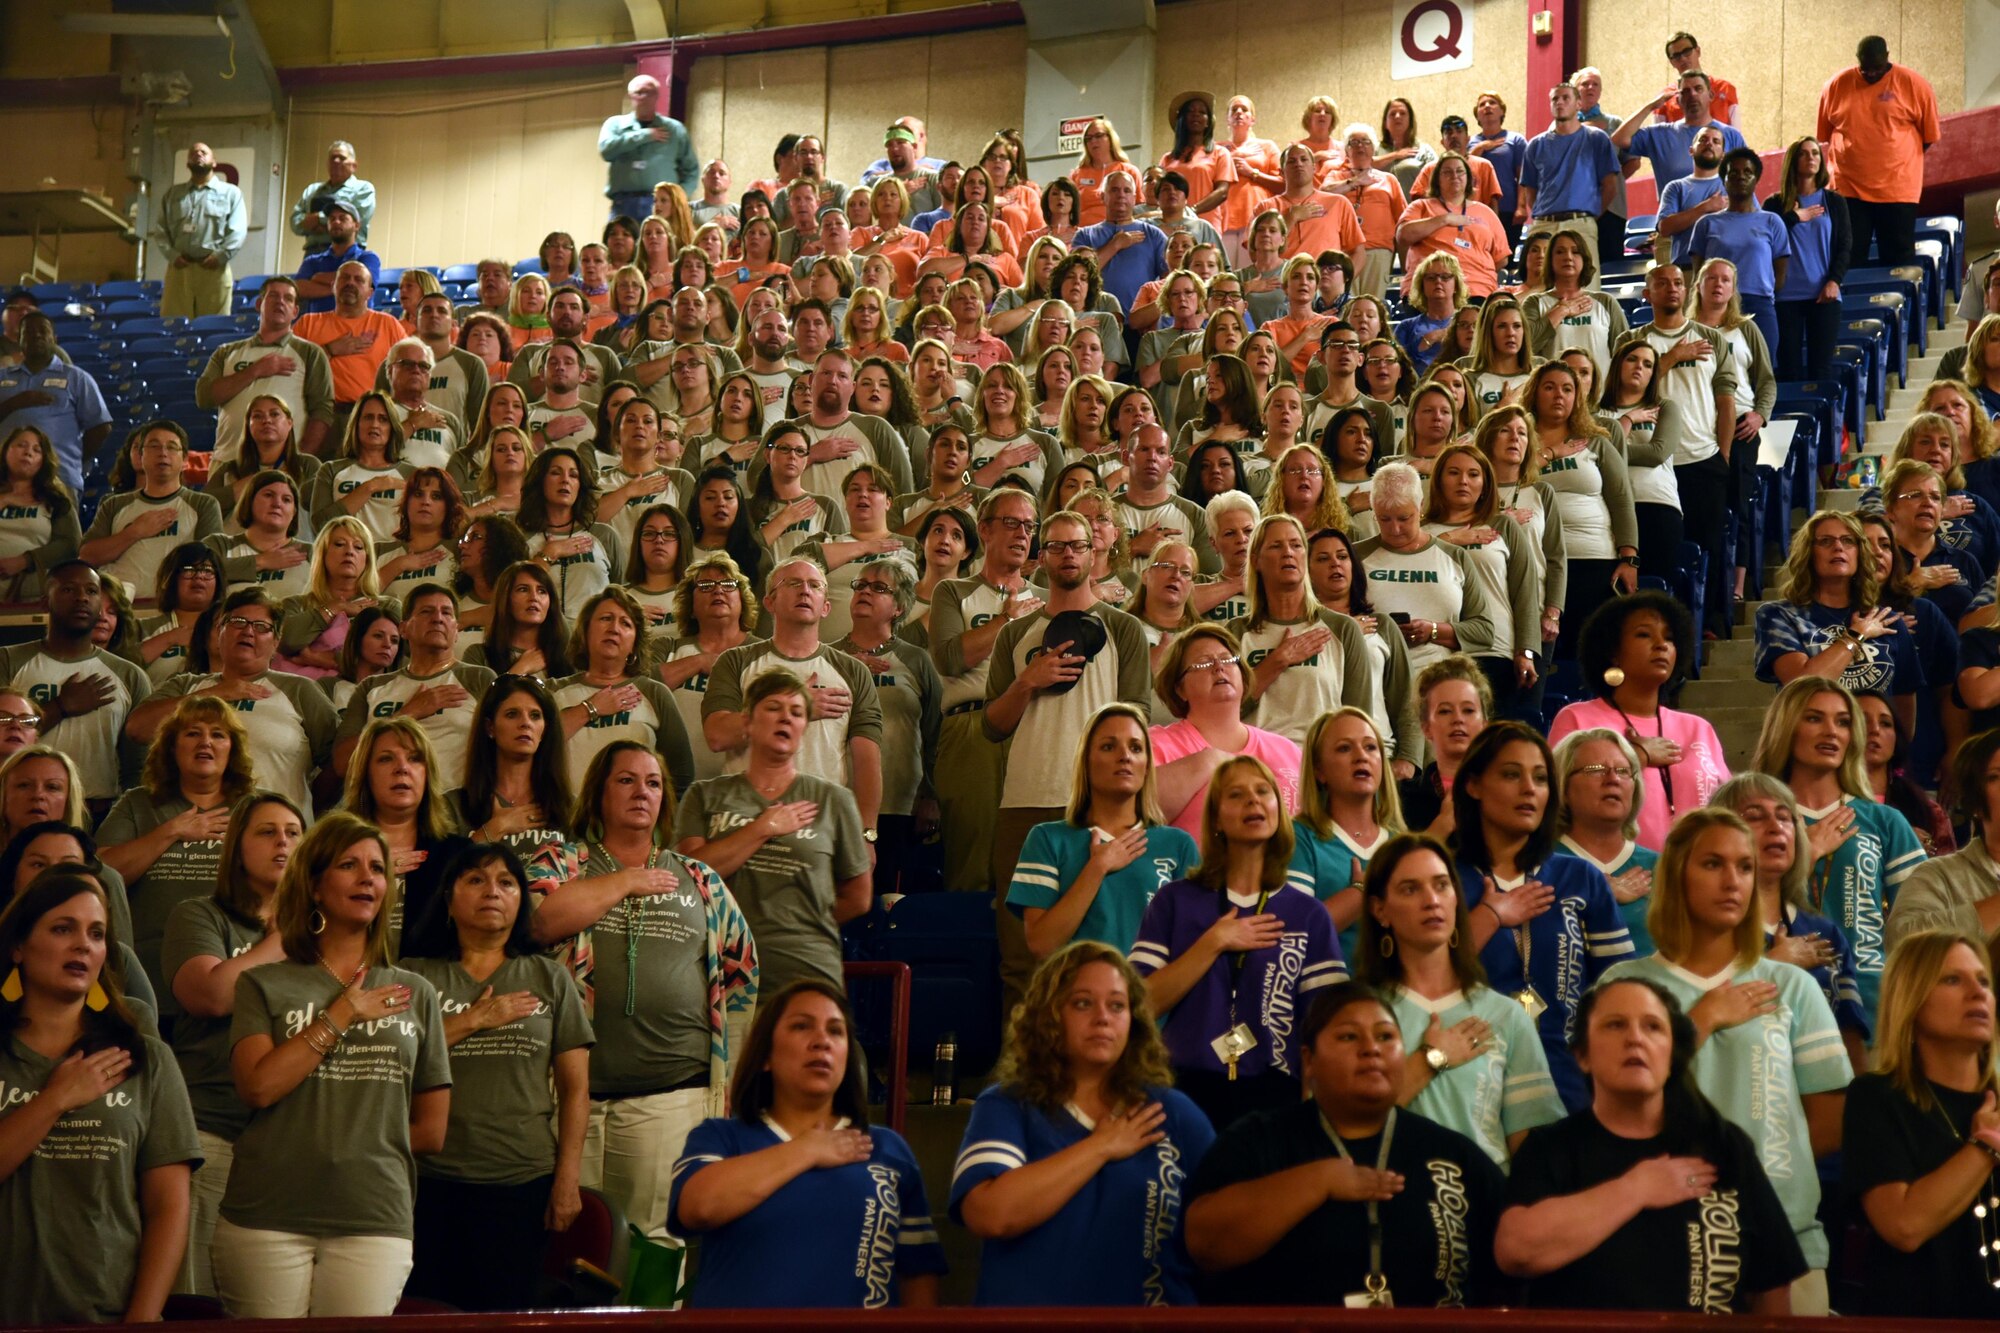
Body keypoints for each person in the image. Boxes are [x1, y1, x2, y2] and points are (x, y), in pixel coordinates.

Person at [1601, 810, 1853, 1311]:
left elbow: (1828, 1122)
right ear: (1677, 875)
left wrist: (1765, 1176)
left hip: (1785, 1236)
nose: (1732, 881)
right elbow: (1610, 1111)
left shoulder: (1793, 986)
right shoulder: (1623, 986)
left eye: (1744, 867)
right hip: (1654, 1236)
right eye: (1713, 864)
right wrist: (1701, 1019)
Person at [206, 810, 446, 1320]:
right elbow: (259, 1088)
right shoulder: (263, 983)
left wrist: (349, 1144)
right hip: (267, 1214)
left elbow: (432, 1128)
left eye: (378, 869)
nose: (367, 878)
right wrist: (341, 1014)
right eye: (348, 865)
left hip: (374, 1215)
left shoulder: (415, 992)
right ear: (314, 886)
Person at [526, 743, 757, 1245]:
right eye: (626, 780)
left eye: (653, 783)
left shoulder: (700, 879)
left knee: (656, 1244)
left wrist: (733, 1081)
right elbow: (541, 923)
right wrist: (626, 881)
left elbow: (741, 980)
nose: (641, 792)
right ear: (599, 794)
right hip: (564, 1097)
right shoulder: (561, 862)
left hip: (672, 1094)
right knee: (567, 1248)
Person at [1184, 979, 1508, 1306]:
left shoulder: (1453, 1154)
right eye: (1349, 1036)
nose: (1371, 1048)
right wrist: (1318, 1181)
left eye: (1386, 1036)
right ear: (1309, 1061)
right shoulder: (1258, 1139)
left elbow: (1512, 1265)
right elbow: (1205, 1244)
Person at [1494, 977, 1807, 1312]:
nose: (1635, 1038)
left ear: (1673, 1054)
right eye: (1615, 1025)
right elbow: (1516, 1251)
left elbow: (1771, 1289)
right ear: (1582, 1055)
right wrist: (1635, 1189)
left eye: (1653, 1027)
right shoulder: (1552, 1148)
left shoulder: (1722, 1144)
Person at [950, 941, 1211, 1306]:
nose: (1103, 1017)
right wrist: (1101, 1146)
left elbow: (1224, 1228)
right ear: (1050, 1015)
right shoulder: (1007, 1103)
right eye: (1083, 1003)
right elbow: (990, 1215)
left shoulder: (1173, 1112)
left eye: (1117, 1005)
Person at [396, 842, 591, 1312]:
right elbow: (392, 1065)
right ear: (448, 899)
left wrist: (567, 1178)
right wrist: (471, 1021)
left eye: (506, 882)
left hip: (520, 1181)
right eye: (476, 880)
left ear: (521, 900)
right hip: (427, 1181)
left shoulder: (549, 978)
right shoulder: (412, 977)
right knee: (425, 1315)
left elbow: (575, 1088)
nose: (492, 891)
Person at [667, 979, 943, 1308]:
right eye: (801, 1026)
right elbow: (699, 1207)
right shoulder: (722, 1136)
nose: (822, 1041)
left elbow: (918, 1276)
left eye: (836, 1031)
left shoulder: (888, 1149)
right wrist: (807, 1149)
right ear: (765, 1056)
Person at [0, 870, 198, 1325]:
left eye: (96, 934)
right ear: (18, 946)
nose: (83, 945)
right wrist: (54, 1100)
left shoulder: (145, 1057)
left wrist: (143, 1318)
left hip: (105, 1311)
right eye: (62, 928)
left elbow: (169, 1206)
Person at [1130, 754, 1342, 1129]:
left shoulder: (1308, 915)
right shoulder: (1175, 902)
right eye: (1236, 794)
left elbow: (1326, 1030)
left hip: (1276, 1093)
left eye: (1263, 791)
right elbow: (1140, 1004)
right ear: (1215, 819)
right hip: (1183, 1089)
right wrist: (1213, 942)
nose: (1253, 801)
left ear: (1279, 809)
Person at [159, 792, 302, 1297]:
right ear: (236, 847)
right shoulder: (199, 915)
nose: (283, 842)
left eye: (292, 832)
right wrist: (283, 938)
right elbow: (213, 995)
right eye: (266, 831)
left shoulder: (330, 934)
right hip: (211, 1130)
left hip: (287, 1142)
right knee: (194, 1303)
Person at [1356, 831, 1566, 1165]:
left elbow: (1535, 1152)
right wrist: (1432, 1058)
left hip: (1487, 1207)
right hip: (1388, 1203)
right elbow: (1343, 1129)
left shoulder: (1505, 1015)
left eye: (1441, 885)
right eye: (1411, 889)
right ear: (1380, 910)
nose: (1431, 900)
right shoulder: (1357, 1014)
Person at [1454, 722, 1635, 1107]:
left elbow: (1622, 994)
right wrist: (1489, 915)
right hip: (1470, 1086)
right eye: (1510, 774)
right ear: (1473, 785)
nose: (1528, 789)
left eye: (1539, 778)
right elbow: (1420, 980)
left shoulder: (1580, 877)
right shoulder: (1443, 879)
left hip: (1570, 1090)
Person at [675, 669, 871, 997]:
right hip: (720, 968)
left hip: (806, 968)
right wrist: (764, 827)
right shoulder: (703, 795)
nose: (785, 718)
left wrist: (803, 927)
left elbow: (859, 897)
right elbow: (690, 877)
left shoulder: (834, 799)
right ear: (748, 722)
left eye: (796, 712)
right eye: (773, 708)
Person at [1840, 929, 2000, 1319]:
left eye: (1983, 980)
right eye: (1952, 979)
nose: (1977, 992)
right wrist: (1985, 1146)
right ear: (1911, 999)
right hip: (1918, 1320)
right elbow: (1903, 1226)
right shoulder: (1876, 1097)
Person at [1751, 675, 1925, 1023]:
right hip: (1771, 992)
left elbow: (1921, 925)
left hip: (1873, 1001)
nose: (1831, 731)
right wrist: (1807, 853)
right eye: (1814, 718)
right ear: (1785, 727)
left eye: (1843, 722)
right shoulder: (1750, 815)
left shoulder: (1885, 820)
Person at [1003, 703, 1198, 958]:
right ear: (1085, 761)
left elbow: (1194, 945)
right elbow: (1042, 944)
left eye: (1136, 748)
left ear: (1147, 765)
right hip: (1075, 994)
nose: (1125, 756)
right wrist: (1097, 868)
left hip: (1154, 994)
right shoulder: (1047, 839)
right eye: (1109, 746)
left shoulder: (1179, 844)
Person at [1549, 591, 1729, 850]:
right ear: (1613, 652)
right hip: (1613, 877)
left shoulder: (1699, 728)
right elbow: (1558, 801)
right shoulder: (1577, 719)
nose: (1661, 645)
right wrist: (1637, 756)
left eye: (1669, 637)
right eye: (1645, 634)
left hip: (1695, 877)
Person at [96, 696, 248, 998]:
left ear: (232, 749)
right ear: (172, 746)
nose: (205, 742)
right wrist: (172, 831)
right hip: (147, 970)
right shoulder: (137, 803)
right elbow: (103, 876)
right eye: (192, 733)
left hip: (236, 967)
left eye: (217, 734)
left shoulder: (256, 808)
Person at [0, 562, 150, 806]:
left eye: (91, 591)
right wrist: (61, 706)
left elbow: (137, 767)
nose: (82, 598)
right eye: (69, 590)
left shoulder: (129, 675)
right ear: (44, 601)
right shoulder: (8, 661)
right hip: (19, 805)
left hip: (100, 808)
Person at [1817, 36, 1941, 269]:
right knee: (1847, 260)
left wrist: (1895, 156)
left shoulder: (1914, 84)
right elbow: (1825, 135)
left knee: (1897, 262)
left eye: (1877, 68)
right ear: (1857, 60)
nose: (1872, 74)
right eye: (1865, 69)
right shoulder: (1835, 86)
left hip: (1897, 189)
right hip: (1848, 189)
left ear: (1887, 57)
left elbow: (1929, 137)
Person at [551, 587, 693, 790]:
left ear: (635, 644)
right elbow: (534, 748)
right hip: (565, 819)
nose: (614, 629)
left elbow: (681, 775)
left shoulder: (655, 693)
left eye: (625, 623)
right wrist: (589, 709)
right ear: (585, 631)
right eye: (605, 619)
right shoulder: (555, 691)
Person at [195, 278, 337, 467]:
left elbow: (322, 410)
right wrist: (255, 370)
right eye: (273, 296)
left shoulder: (310, 353)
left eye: (288, 298)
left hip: (283, 466)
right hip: (228, 461)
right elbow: (204, 398)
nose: (280, 302)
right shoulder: (226, 352)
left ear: (295, 311)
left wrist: (300, 458)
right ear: (259, 304)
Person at [78, 420, 224, 601]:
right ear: (141, 455)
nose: (163, 453)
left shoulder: (204, 504)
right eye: (154, 446)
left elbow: (211, 567)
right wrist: (134, 532)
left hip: (177, 612)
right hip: (122, 612)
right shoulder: (113, 505)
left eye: (171, 447)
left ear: (185, 460)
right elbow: (87, 556)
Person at [1553, 728, 1659, 953]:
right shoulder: (1538, 863)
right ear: (1563, 787)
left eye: (1623, 771)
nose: (1613, 779)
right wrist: (1596, 894)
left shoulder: (1664, 867)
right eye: (1596, 770)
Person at [451, 676, 572, 863]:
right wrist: (495, 828)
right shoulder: (454, 806)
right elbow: (440, 880)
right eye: (512, 714)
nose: (525, 723)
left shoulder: (567, 806)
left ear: (545, 730)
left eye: (535, 715)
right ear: (490, 727)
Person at [1765, 136, 1851, 382]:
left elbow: (1845, 246)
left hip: (1823, 295)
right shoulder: (1774, 204)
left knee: (1820, 370)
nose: (1811, 158)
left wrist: (1835, 280)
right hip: (1785, 297)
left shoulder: (1833, 201)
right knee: (1789, 370)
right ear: (1793, 161)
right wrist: (1794, 217)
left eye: (1815, 153)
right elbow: (1764, 240)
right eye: (1804, 153)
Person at [1516, 84, 1620, 279]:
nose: (1560, 102)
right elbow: (1530, 190)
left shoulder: (1597, 139)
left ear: (1578, 104)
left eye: (1566, 98)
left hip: (1581, 222)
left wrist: (1589, 217)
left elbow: (1610, 186)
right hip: (1543, 224)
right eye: (1555, 99)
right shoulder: (1535, 145)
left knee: (1586, 289)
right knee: (1538, 287)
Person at [0, 313, 111, 495]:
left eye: (43, 331)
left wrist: (69, 460)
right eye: (28, 332)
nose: (36, 335)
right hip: (5, 481)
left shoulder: (77, 377)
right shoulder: (2, 377)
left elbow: (101, 427)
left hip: (59, 480)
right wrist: (15, 403)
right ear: (19, 341)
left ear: (55, 339)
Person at [1610, 71, 1747, 196]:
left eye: (1698, 89)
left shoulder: (1731, 136)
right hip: (1673, 219)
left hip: (1720, 220)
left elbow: (1747, 177)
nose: (1692, 94)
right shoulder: (1660, 135)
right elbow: (1618, 139)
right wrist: (1651, 106)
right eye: (1686, 91)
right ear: (1678, 100)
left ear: (1711, 95)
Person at [295, 263, 407, 409]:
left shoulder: (388, 324)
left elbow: (409, 367)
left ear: (370, 293)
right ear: (333, 286)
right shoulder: (308, 323)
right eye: (344, 278)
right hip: (318, 413)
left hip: (372, 413)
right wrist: (328, 350)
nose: (350, 283)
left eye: (359, 280)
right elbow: (291, 368)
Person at [155, 141, 246, 318]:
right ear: (187, 163)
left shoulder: (231, 193)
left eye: (204, 152)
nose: (198, 154)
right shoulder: (173, 195)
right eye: (193, 152)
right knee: (175, 326)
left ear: (214, 162)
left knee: (214, 328)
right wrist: (172, 256)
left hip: (214, 271)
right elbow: (160, 230)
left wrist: (220, 256)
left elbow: (238, 231)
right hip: (179, 271)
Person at [598, 74, 698, 220]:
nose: (644, 97)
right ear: (630, 96)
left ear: (657, 96)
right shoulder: (615, 125)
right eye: (639, 93)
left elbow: (692, 170)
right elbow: (606, 151)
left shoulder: (674, 130)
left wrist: (678, 199)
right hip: (623, 204)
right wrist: (644, 135)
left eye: (649, 93)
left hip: (661, 205)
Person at [288, 140, 374, 255]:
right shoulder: (312, 190)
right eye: (332, 158)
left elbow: (356, 220)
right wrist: (334, 224)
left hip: (347, 254)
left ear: (354, 166)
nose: (336, 161)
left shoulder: (363, 189)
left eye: (342, 158)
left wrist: (317, 220)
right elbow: (295, 222)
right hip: (313, 254)